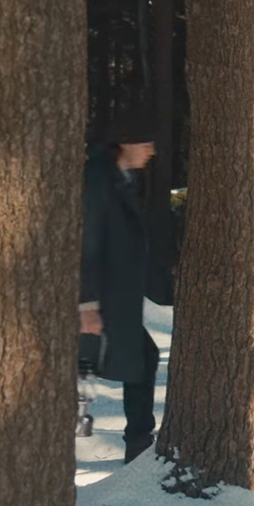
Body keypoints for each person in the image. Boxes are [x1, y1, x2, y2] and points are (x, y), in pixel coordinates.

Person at [81, 134, 161, 463]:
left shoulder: (117, 178)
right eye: (143, 143)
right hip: (99, 300)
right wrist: (86, 305)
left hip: (115, 299)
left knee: (142, 358)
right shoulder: (97, 177)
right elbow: (86, 238)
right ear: (123, 142)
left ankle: (139, 443)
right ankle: (138, 444)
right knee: (78, 369)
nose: (150, 152)